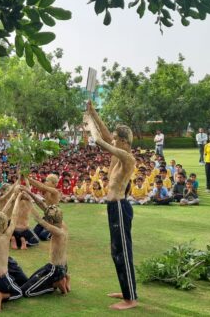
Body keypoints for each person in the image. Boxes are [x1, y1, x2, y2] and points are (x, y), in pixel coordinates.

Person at [84, 102, 137, 310]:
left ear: (123, 141)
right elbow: (105, 135)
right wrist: (93, 112)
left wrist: (88, 122)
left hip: (121, 208)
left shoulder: (127, 157)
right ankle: (126, 291)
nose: (112, 140)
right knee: (116, 251)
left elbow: (99, 140)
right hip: (113, 208)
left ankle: (130, 299)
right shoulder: (118, 151)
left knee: (122, 252)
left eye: (115, 138)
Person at [21, 202, 70, 297]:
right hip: (61, 266)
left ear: (51, 221)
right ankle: (64, 278)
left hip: (55, 270)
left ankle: (56, 283)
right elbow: (45, 207)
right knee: (27, 282)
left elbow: (39, 219)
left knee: (26, 292)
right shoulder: (62, 224)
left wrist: (28, 203)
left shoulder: (57, 232)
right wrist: (29, 195)